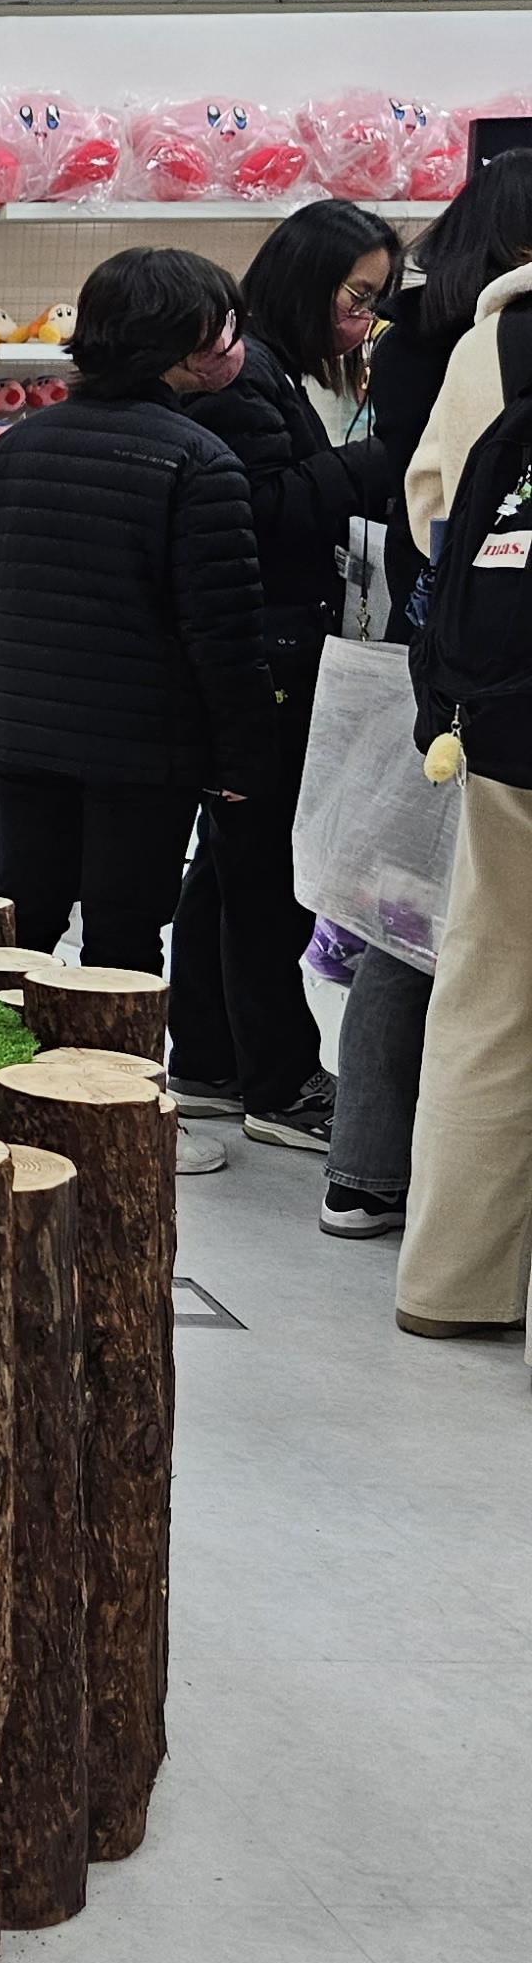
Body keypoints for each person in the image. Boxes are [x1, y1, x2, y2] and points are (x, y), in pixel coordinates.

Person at [0, 246, 273, 980]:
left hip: (24, 727)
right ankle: (107, 1059)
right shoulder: (200, 461)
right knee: (124, 940)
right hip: (144, 749)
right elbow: (222, 634)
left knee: (20, 924)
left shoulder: (17, 445)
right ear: (190, 335)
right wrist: (243, 758)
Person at [320, 153, 532, 1236]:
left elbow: (422, 499)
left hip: (456, 655)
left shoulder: (433, 338)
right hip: (479, 660)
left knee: (429, 928)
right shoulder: (483, 337)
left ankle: (390, 1195)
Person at [165, 202, 399, 1153]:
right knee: (262, 870)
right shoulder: (249, 376)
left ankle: (211, 1060)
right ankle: (278, 1080)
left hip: (265, 648)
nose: (364, 318)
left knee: (232, 865)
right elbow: (260, 511)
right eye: (357, 295)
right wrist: (381, 460)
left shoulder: (267, 371)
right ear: (308, 281)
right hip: (262, 653)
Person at [392, 171, 532, 1335]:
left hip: (510, 710)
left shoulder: (499, 338)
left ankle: (451, 1284)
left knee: (491, 984)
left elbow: (434, 508)